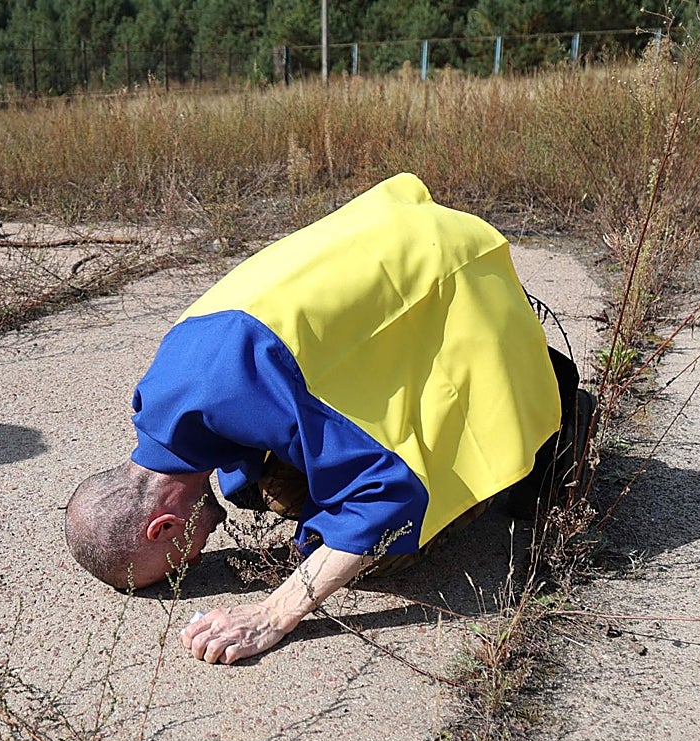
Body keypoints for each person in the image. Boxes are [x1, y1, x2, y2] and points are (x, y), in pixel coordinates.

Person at [65, 173, 570, 665]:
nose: (197, 561)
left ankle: (547, 391)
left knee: (381, 553)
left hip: (452, 270)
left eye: (183, 561)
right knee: (284, 494)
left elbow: (389, 495)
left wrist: (275, 612)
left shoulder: (259, 385)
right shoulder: (157, 398)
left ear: (164, 526)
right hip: (392, 231)